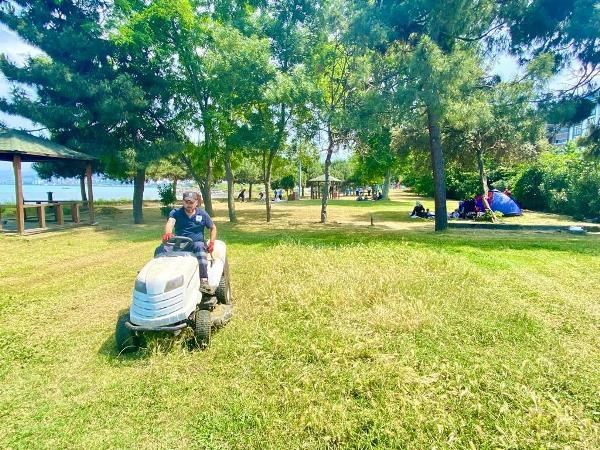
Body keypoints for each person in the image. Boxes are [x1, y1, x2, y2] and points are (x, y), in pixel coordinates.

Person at [155, 191, 217, 291]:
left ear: (196, 203)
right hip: (179, 242)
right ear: (183, 202)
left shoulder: (203, 214)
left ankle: (204, 280)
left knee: (200, 248)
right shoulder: (176, 213)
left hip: (196, 243)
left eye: (191, 202)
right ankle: (156, 275)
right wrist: (168, 233)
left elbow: (213, 228)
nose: (189, 205)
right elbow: (170, 223)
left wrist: (212, 242)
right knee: (161, 249)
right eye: (187, 202)